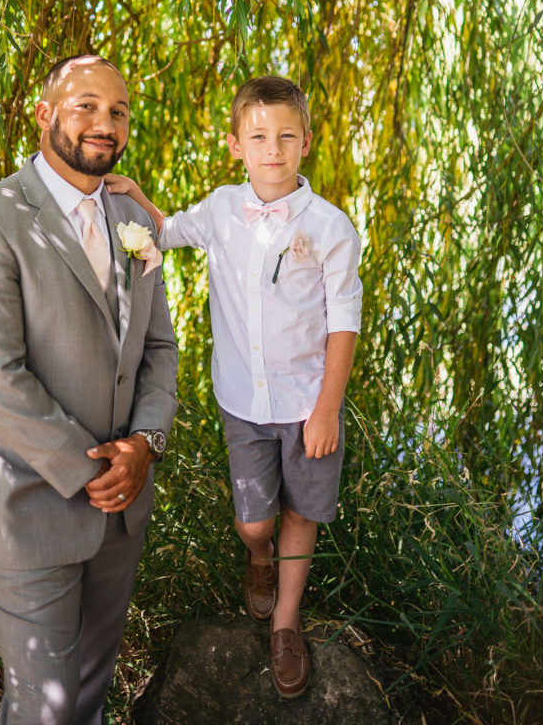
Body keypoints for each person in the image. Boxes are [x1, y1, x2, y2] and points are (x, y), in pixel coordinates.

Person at [106, 75, 361, 699]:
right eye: (259, 137)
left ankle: (286, 624)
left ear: (306, 141)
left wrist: (327, 410)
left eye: (286, 136)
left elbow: (343, 323)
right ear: (235, 145)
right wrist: (135, 196)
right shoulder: (221, 209)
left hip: (307, 405)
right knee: (255, 522)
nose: (273, 149)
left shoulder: (331, 228)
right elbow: (165, 232)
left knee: (301, 512)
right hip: (243, 402)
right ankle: (258, 556)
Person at [0, 54, 179, 725]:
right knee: (42, 707)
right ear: (44, 114)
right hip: (27, 507)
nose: (105, 122)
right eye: (85, 107)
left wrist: (145, 444)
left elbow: (159, 350)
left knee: (88, 697)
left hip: (121, 509)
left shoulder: (135, 218)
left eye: (118, 111)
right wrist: (93, 469)